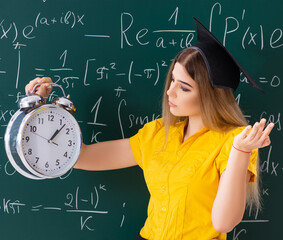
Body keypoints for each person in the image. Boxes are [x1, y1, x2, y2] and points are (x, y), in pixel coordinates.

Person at [25, 18, 274, 240]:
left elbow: (223, 222)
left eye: (184, 87)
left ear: (210, 96)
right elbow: (79, 157)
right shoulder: (158, 134)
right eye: (172, 80)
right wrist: (44, 110)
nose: (170, 91)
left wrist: (241, 152)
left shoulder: (233, 142)